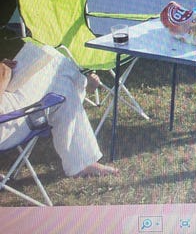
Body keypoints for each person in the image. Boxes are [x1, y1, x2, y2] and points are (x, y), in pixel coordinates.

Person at [0, 42, 118, 177]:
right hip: (6, 120)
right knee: (55, 62)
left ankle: (82, 162)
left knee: (62, 85)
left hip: (7, 105)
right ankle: (84, 84)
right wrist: (3, 73)